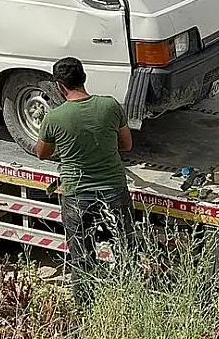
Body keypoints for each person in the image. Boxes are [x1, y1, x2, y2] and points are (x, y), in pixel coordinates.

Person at [36, 56, 135, 305]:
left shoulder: (55, 117)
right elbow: (127, 144)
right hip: (114, 189)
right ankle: (131, 298)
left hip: (77, 193)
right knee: (127, 248)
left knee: (81, 255)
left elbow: (41, 153)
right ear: (84, 77)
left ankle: (85, 305)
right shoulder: (110, 106)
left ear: (59, 86)